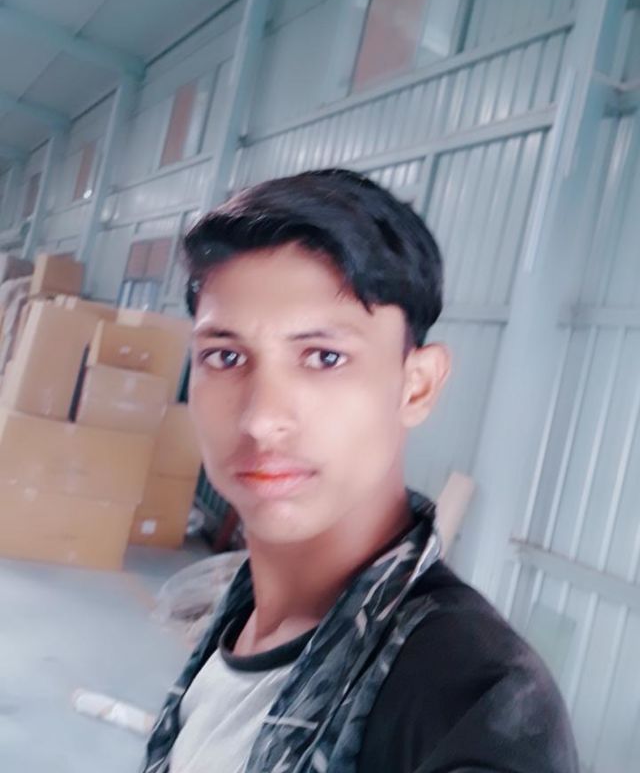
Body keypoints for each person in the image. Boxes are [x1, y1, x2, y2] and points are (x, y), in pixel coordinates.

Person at [141, 169, 579, 773]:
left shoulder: (473, 698)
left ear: (417, 386)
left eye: (324, 357)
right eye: (226, 355)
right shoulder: (243, 621)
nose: (261, 419)